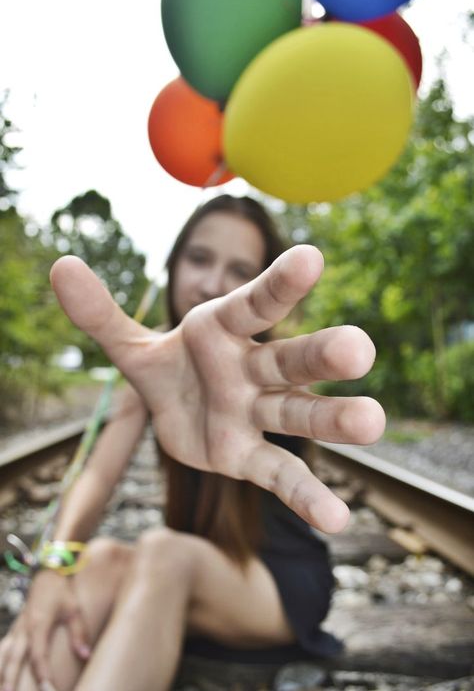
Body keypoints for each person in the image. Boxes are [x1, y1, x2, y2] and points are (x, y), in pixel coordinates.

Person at [0, 195, 385, 691]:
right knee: (95, 561)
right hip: (194, 566)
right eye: (200, 258)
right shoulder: (155, 362)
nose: (211, 282)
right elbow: (98, 472)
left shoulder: (267, 370)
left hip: (276, 584)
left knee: (162, 552)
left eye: (239, 269)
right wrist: (53, 566)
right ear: (174, 262)